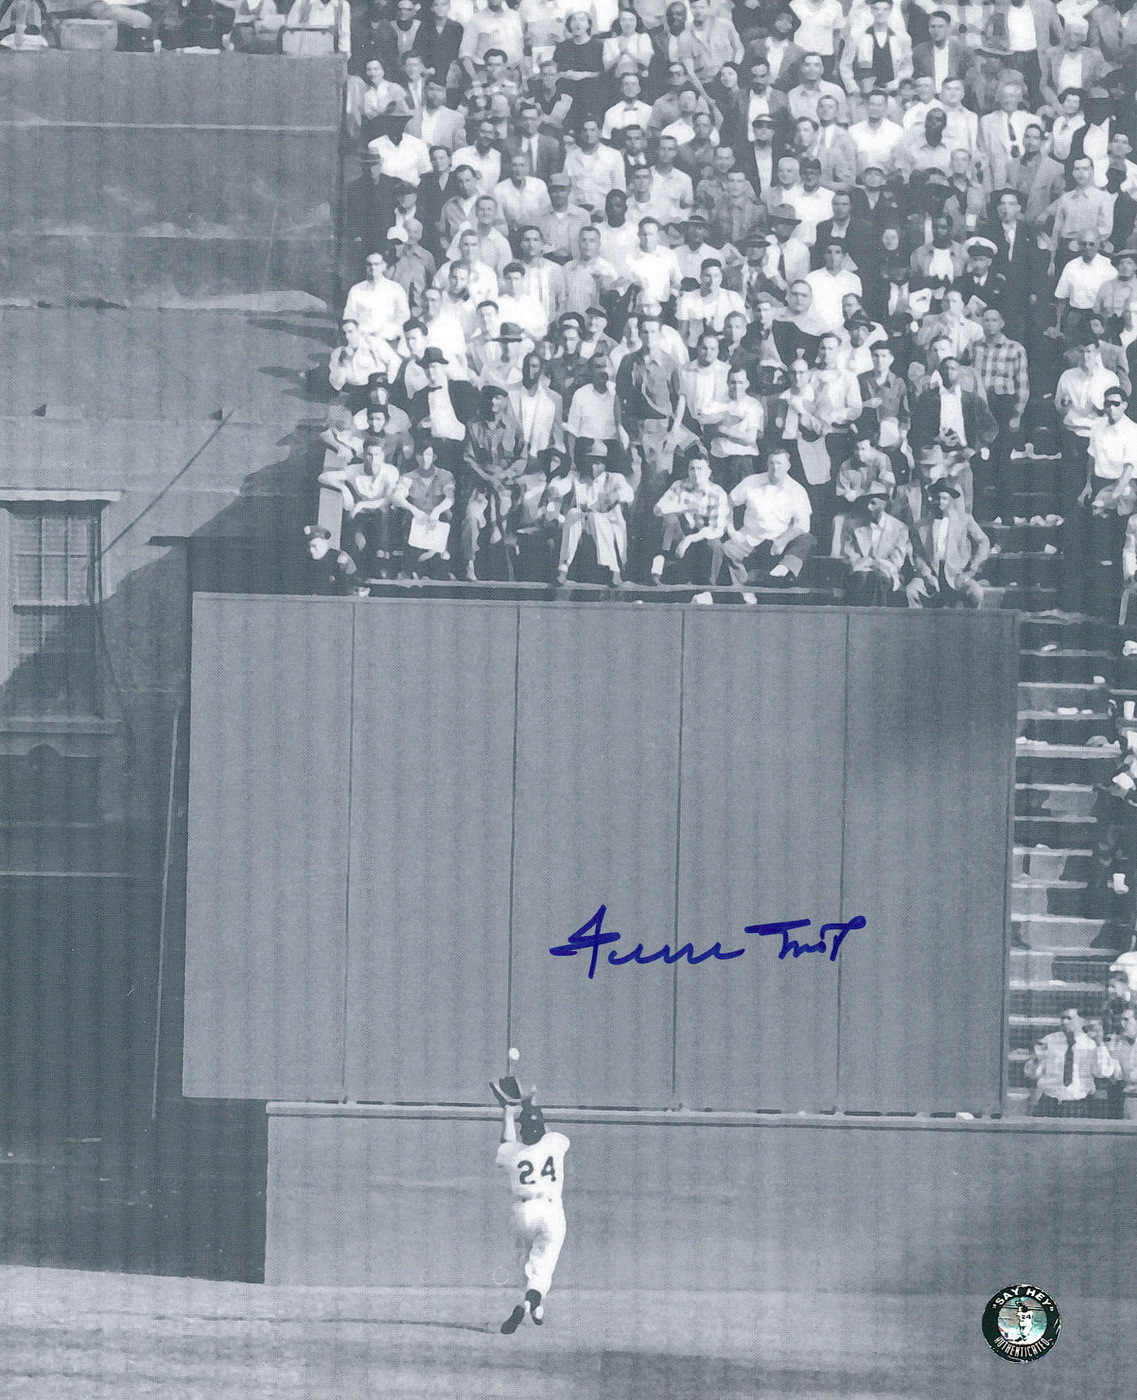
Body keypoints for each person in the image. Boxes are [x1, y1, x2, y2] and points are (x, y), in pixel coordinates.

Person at [496, 1095, 570, 1335]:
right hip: (550, 1211)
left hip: (522, 1212)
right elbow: (547, 1130)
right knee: (543, 1264)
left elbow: (507, 1140)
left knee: (525, 1263)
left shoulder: (513, 1153)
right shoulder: (556, 1143)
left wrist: (508, 1113)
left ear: (523, 1131)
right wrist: (530, 1103)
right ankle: (529, 1302)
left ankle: (534, 1308)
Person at [715, 447, 817, 592]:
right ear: (767, 464)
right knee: (725, 549)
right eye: (772, 463)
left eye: (780, 463)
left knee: (807, 539)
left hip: (778, 543)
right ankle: (742, 588)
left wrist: (783, 541)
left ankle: (782, 570)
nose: (775, 468)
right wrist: (731, 530)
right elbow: (727, 504)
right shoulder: (751, 482)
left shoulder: (797, 490)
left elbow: (803, 524)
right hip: (749, 539)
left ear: (788, 466)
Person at [553, 442, 636, 583]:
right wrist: (555, 488)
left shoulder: (613, 478)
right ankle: (563, 567)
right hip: (582, 525)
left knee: (596, 517)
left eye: (598, 463)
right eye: (590, 461)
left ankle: (613, 569)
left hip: (607, 525)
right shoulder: (576, 477)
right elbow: (561, 486)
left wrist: (615, 496)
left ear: (604, 464)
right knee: (573, 513)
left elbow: (628, 493)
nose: (593, 467)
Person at [905, 480, 990, 607]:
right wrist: (927, 575)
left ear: (951, 500)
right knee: (911, 591)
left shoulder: (964, 520)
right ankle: (918, 619)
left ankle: (969, 620)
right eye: (937, 498)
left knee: (976, 593)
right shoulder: (921, 526)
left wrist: (972, 569)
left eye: (944, 498)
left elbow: (984, 542)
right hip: (931, 574)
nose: (940, 502)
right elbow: (917, 555)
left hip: (957, 574)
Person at [652, 453, 732, 583]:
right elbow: (658, 509)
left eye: (700, 469)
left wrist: (689, 540)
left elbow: (716, 529)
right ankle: (659, 566)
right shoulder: (679, 485)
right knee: (670, 519)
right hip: (681, 534)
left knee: (715, 545)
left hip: (703, 537)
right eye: (692, 468)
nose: (696, 473)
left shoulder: (717, 493)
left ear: (709, 472)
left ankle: (710, 585)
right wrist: (683, 508)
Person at [1023, 1007, 1117, 1116]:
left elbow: (1103, 1072)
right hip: (1049, 1103)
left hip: (1078, 1105)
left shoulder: (1092, 1044)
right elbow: (1033, 1073)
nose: (1064, 1022)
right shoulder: (1050, 1040)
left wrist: (1100, 1045)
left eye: (1069, 1018)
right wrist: (1035, 1061)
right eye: (1062, 1018)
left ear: (1082, 1021)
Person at [842, 485, 910, 603]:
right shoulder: (854, 525)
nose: (868, 507)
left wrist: (878, 565)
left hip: (888, 573)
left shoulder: (899, 528)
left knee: (877, 578)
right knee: (862, 576)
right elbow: (850, 554)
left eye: (873, 503)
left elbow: (897, 561)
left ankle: (877, 613)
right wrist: (868, 564)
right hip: (860, 570)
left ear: (883, 503)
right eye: (866, 503)